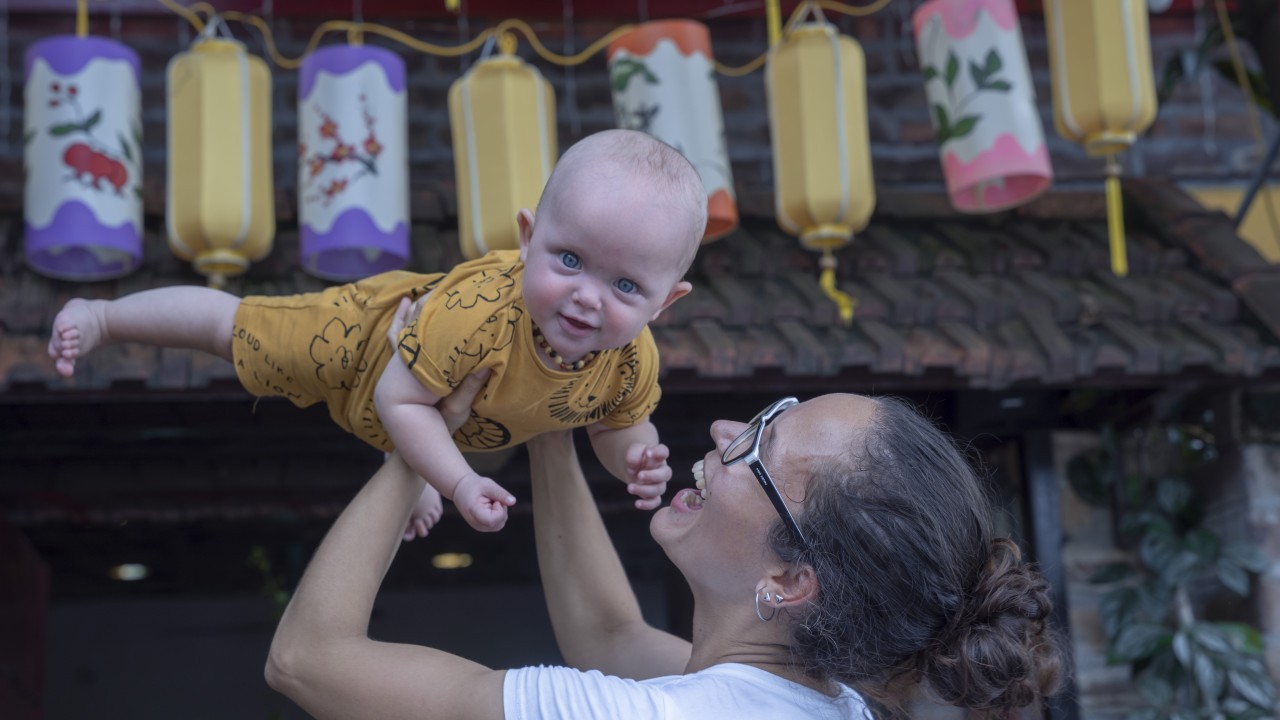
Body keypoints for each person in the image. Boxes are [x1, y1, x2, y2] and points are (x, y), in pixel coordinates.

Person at [265, 364, 1066, 717]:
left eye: (757, 445)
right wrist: (549, 409)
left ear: (791, 583)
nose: (722, 430)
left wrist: (423, 434)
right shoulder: (817, 702)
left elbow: (307, 661)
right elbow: (605, 635)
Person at [47, 129, 706, 538]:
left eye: (625, 287)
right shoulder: (476, 316)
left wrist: (635, 461)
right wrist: (457, 483)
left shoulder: (628, 362)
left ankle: (418, 468)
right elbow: (401, 400)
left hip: (441, 412)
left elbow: (617, 424)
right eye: (569, 260)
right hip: (365, 345)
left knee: (434, 433)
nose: (587, 297)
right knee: (234, 328)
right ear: (527, 239)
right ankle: (103, 315)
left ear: (664, 303)